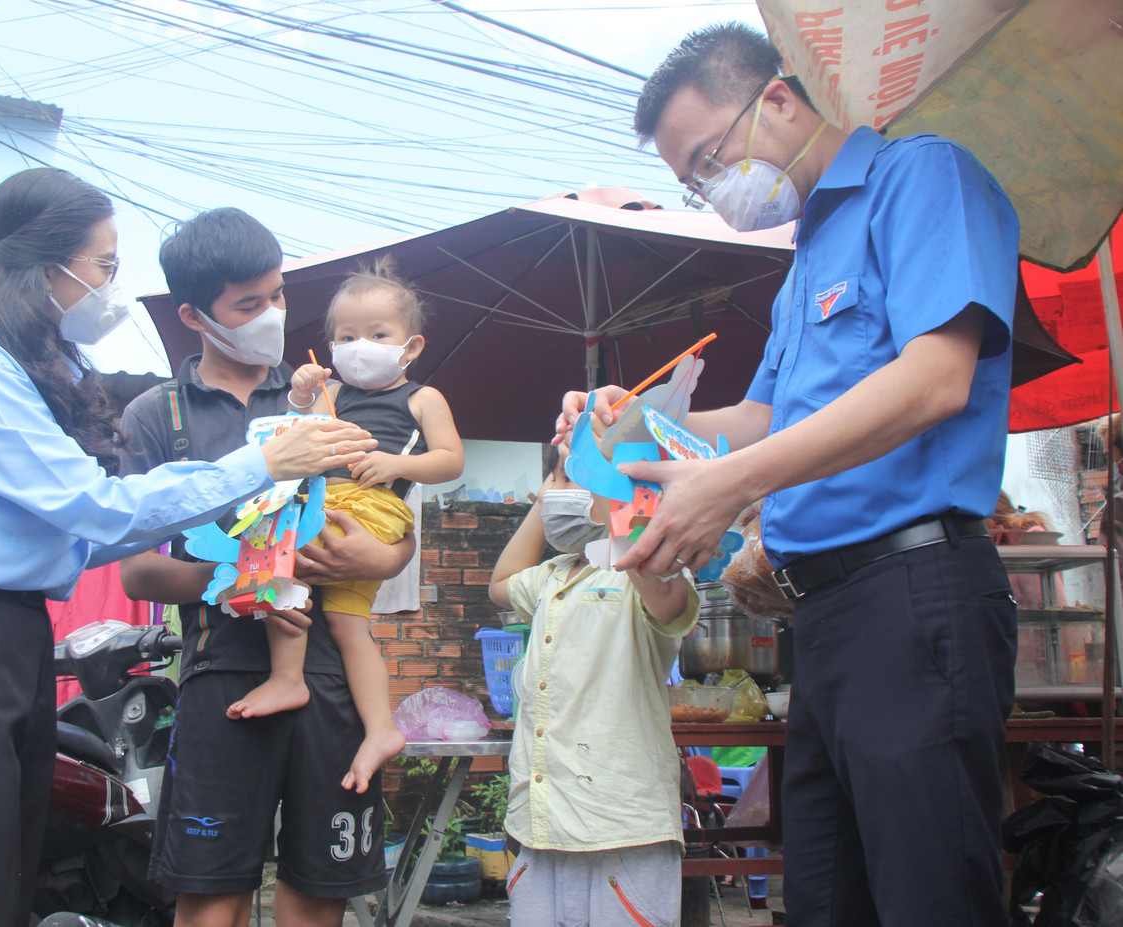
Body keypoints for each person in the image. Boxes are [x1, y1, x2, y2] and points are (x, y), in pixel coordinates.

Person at [560, 22, 1021, 927]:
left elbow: (936, 378)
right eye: (693, 182)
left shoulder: (920, 175)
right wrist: (630, 422)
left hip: (914, 591)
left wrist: (734, 485)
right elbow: (758, 422)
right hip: (825, 615)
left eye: (707, 160)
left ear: (775, 98)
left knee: (929, 899)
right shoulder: (807, 257)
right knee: (823, 900)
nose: (709, 190)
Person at [0, 170, 373, 927]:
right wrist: (261, 466)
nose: (109, 286)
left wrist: (241, 531)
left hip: (8, 629)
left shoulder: (27, 371)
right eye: (102, 265)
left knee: (9, 886)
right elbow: (94, 510)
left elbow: (79, 535)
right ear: (43, 264)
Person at [118, 208, 414, 927]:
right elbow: (137, 571)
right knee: (212, 895)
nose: (272, 315)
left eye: (278, 295)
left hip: (331, 677)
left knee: (318, 892)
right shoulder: (159, 415)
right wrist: (243, 582)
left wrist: (380, 556)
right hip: (221, 675)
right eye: (248, 304)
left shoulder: (330, 394)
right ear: (194, 315)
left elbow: (391, 526)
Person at [230, 259, 465, 794]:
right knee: (345, 623)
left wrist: (398, 464)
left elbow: (451, 460)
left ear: (412, 346)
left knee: (277, 560)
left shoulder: (423, 398)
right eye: (347, 336)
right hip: (325, 498)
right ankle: (379, 727)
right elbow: (291, 430)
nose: (361, 346)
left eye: (378, 335)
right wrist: (300, 394)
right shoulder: (332, 394)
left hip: (373, 505)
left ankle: (287, 678)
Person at [487, 441, 697, 927]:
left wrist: (611, 470)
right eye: (556, 478)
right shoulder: (554, 575)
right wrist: (547, 498)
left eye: (572, 477)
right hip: (541, 826)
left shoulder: (650, 570)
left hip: (622, 830)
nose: (556, 491)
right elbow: (500, 585)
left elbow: (667, 600)